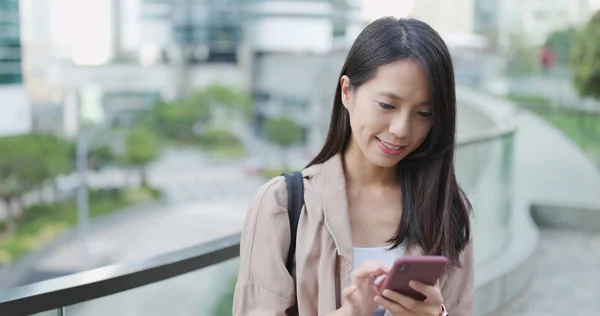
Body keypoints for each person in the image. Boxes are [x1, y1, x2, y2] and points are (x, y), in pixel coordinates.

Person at [233, 17, 473, 316]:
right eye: (387, 105)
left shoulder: (446, 208)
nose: (401, 129)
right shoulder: (282, 204)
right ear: (347, 92)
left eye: (424, 113)